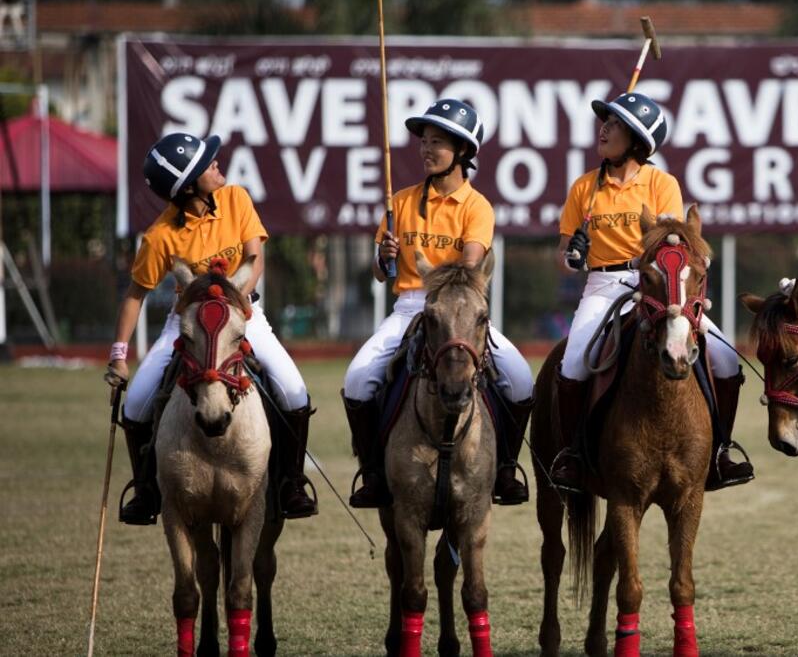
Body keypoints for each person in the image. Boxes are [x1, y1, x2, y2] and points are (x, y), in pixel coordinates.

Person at [104, 132, 317, 524]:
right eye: (206, 165)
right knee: (135, 404)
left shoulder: (236, 199)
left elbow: (256, 259)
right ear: (187, 187)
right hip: (186, 322)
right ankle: (147, 491)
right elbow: (135, 295)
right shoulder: (160, 237)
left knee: (294, 391)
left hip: (242, 314)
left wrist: (232, 303)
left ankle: (291, 482)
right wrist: (118, 355)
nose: (216, 164)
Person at [550, 92, 753, 493]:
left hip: (657, 282)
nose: (603, 129)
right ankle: (573, 456)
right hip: (603, 285)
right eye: (604, 121)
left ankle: (721, 452)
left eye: (614, 124)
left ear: (638, 140)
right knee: (572, 364)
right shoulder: (583, 188)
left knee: (728, 360)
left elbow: (672, 243)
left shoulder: (661, 184)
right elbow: (562, 257)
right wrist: (573, 256)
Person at [342, 98, 534, 508]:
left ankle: (504, 470)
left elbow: (470, 266)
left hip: (460, 309)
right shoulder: (402, 202)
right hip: (411, 306)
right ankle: (375, 473)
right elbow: (379, 273)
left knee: (520, 381)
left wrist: (441, 284)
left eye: (438, 143)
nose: (426, 150)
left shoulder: (476, 206)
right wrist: (384, 258)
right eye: (424, 142)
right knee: (358, 380)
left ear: (462, 151)